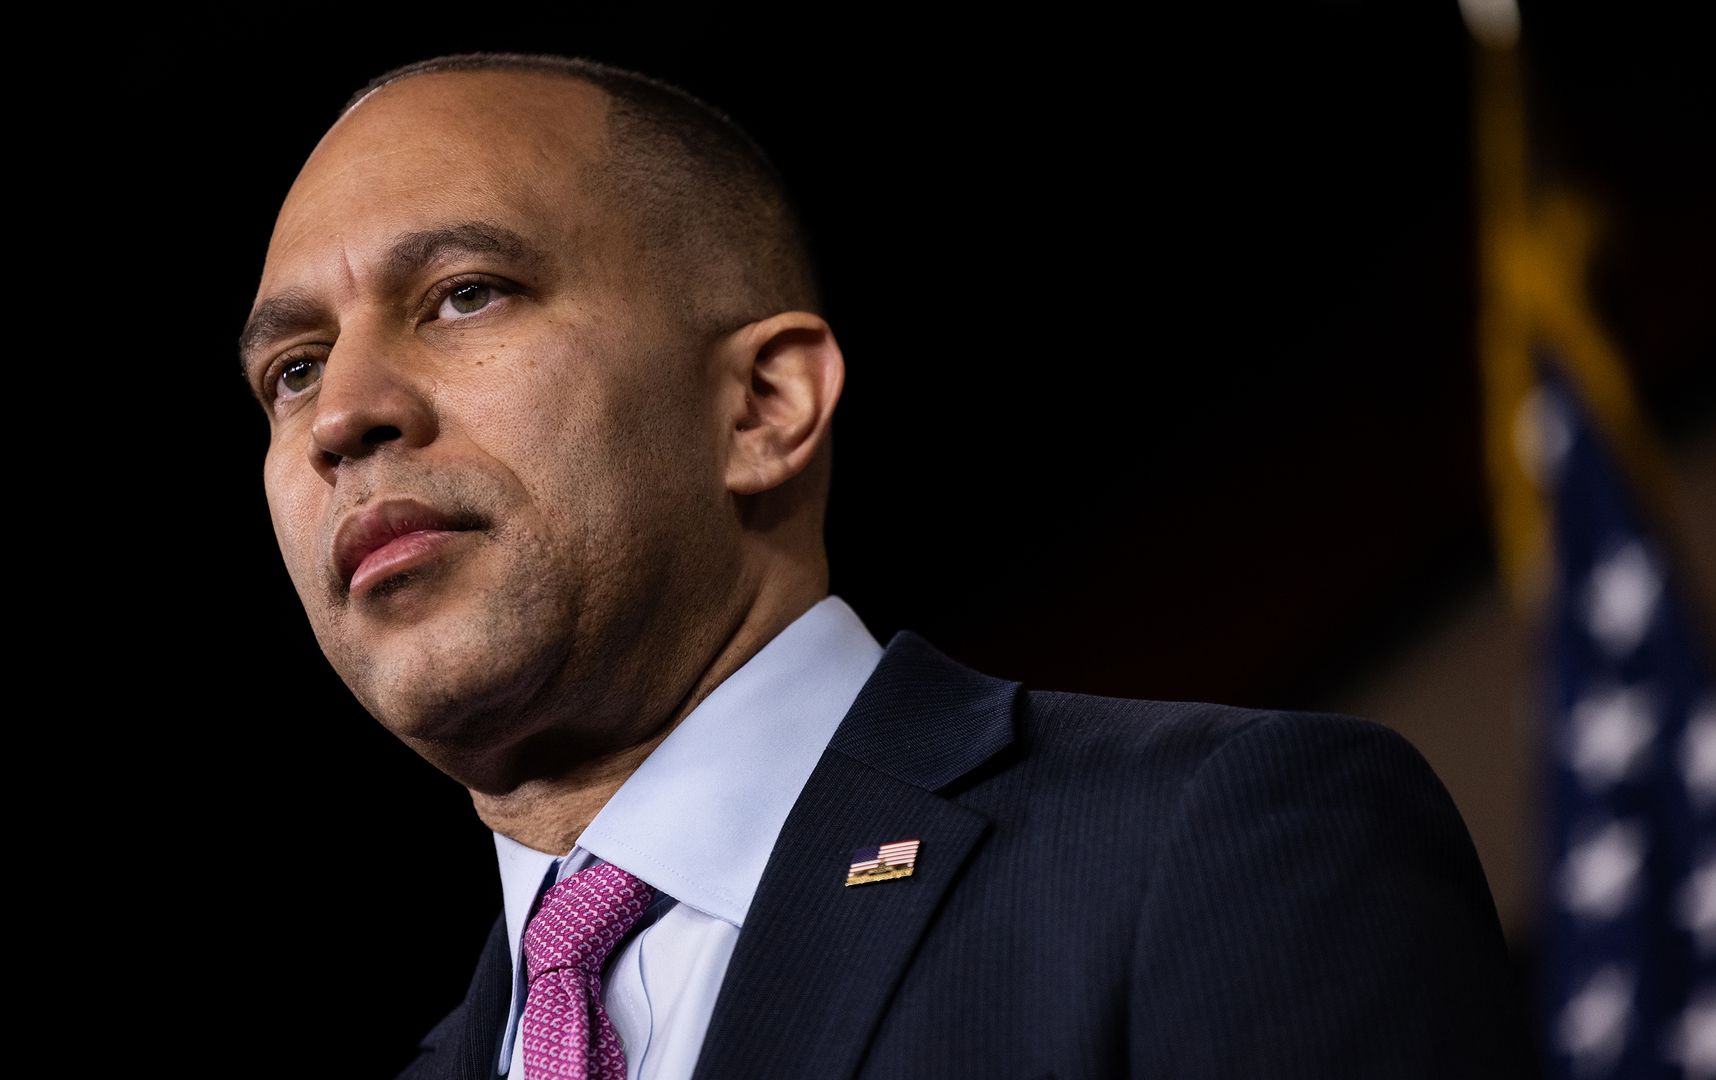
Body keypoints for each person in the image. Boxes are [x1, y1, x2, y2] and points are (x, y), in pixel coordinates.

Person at [240, 51, 1532, 1080]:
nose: (341, 413)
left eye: (467, 293)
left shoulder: (1215, 849)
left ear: (765, 406)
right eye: (289, 372)